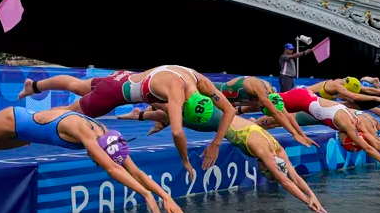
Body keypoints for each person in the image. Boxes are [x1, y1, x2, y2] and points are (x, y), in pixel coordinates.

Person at [0, 107, 189, 213]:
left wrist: (164, 196)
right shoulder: (86, 133)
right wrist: (145, 195)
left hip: (26, 137)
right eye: (96, 158)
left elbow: (135, 171)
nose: (94, 160)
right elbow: (113, 169)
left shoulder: (109, 137)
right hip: (16, 120)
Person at [16, 65, 236, 180]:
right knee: (69, 114)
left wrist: (216, 142)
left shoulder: (199, 81)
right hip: (114, 94)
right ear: (186, 104)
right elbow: (178, 133)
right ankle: (30, 125)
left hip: (120, 77)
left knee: (78, 85)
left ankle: (33, 86)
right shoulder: (177, 95)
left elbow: (228, 110)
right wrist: (185, 161)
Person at [122, 104, 328, 213]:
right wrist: (305, 201)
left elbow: (293, 176)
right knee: (176, 111)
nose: (264, 167)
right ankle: (142, 113)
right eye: (267, 170)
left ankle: (148, 117)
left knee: (177, 113)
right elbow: (285, 180)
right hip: (215, 121)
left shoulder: (278, 150)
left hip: (221, 115)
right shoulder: (264, 152)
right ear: (265, 167)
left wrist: (312, 196)